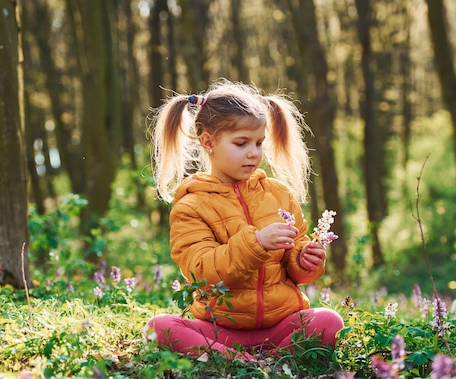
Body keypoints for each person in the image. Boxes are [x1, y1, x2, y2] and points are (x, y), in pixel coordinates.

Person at [145, 79, 343, 361]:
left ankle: (270, 360)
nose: (253, 152)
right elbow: (200, 273)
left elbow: (295, 263)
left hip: (279, 325)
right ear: (208, 141)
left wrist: (304, 260)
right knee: (160, 328)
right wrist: (256, 243)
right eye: (241, 143)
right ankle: (239, 361)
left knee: (329, 321)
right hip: (219, 330)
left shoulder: (278, 194)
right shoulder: (191, 205)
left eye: (259, 143)